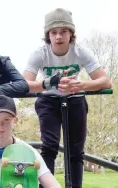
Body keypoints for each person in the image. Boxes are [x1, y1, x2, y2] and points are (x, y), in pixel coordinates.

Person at [23, 8, 112, 188]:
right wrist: (49, 83)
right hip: (48, 100)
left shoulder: (80, 52)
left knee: (76, 151)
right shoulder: (40, 53)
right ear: (48, 35)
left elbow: (106, 81)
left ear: (71, 33)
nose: (58, 37)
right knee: (49, 147)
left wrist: (82, 85)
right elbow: (24, 83)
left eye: (63, 31)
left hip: (75, 99)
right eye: (54, 32)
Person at [0, 95, 61, 188]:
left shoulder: (28, 152)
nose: (0, 125)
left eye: (6, 119)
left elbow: (52, 183)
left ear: (15, 121)